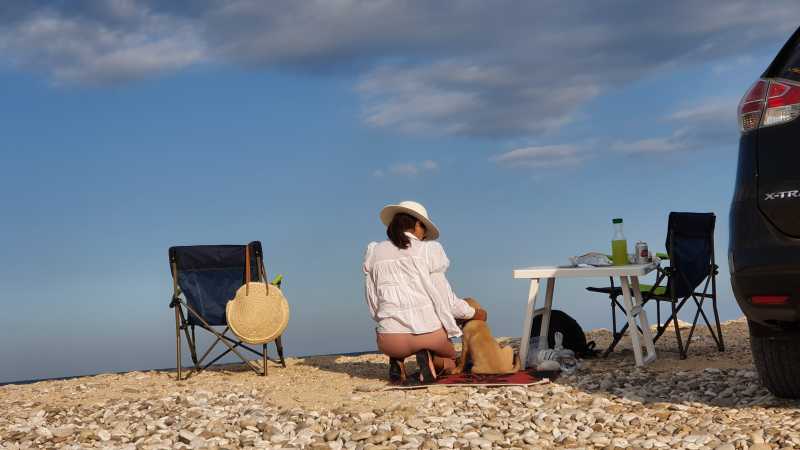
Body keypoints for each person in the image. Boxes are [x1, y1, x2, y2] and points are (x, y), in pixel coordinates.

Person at [362, 200, 487, 383]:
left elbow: (373, 304)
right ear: (417, 224)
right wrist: (475, 313)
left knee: (395, 334)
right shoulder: (428, 250)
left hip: (389, 340)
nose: (424, 235)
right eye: (424, 229)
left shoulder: (374, 253)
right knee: (450, 360)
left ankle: (397, 360)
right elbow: (447, 301)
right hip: (428, 334)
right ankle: (428, 358)